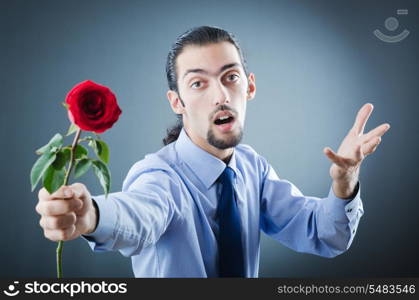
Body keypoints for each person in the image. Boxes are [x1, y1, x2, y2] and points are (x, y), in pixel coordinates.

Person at [35, 26, 390, 277]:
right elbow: (138, 215)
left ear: (249, 87)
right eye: (198, 83)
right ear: (177, 101)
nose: (220, 95)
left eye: (230, 77)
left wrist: (345, 182)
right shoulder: (159, 177)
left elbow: (325, 234)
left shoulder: (253, 168)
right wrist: (92, 215)